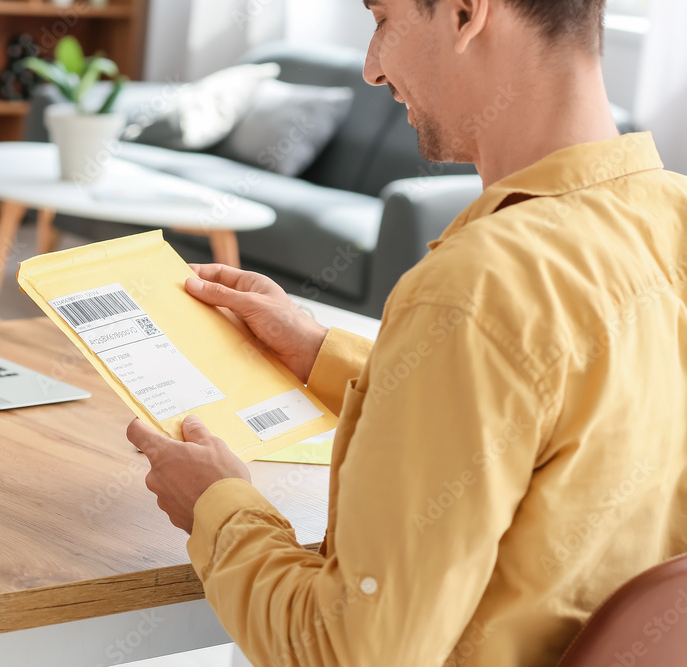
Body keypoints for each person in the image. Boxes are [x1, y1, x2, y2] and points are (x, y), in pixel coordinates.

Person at [126, 0, 687, 664]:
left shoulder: (477, 286)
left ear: (464, 12)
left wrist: (217, 507)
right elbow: (553, 416)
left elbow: (346, 652)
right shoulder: (671, 216)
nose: (370, 68)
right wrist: (317, 352)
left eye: (382, 19)